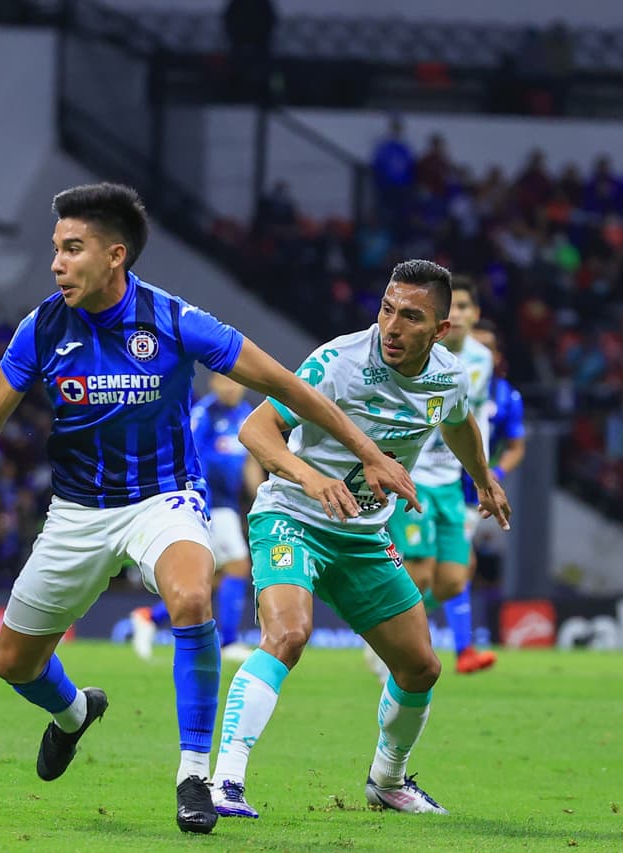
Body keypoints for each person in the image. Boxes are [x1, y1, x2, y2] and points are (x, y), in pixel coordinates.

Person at [0, 182, 420, 835]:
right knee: (13, 663)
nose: (56, 263)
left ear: (115, 255)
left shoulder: (174, 320)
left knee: (193, 598)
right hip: (77, 511)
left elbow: (288, 386)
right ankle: (73, 713)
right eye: (56, 249)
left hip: (163, 499)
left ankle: (193, 776)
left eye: (72, 249)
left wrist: (367, 452)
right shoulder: (43, 327)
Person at [209, 259, 510, 819]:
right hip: (292, 518)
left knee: (421, 667)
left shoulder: (448, 376)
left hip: (364, 535)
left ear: (440, 330)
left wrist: (483, 478)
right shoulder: (339, 362)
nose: (392, 326)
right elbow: (257, 429)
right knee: (288, 635)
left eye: (411, 317)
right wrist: (310, 476)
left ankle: (387, 782)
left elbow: (458, 422)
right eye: (387, 309)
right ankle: (224, 781)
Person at [382, 276, 497, 675]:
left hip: (451, 479)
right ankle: (393, 647)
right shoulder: (421, 352)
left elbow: (472, 417)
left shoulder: (481, 360)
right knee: (418, 570)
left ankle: (389, 623)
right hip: (414, 476)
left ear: (475, 314)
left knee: (452, 579)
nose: (459, 315)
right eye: (453, 307)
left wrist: (481, 471)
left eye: (465, 307)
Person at [130, 371, 264, 663]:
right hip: (208, 502)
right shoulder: (204, 413)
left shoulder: (246, 414)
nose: (231, 387)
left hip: (229, 504)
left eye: (236, 382)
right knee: (238, 564)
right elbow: (189, 458)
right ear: (214, 383)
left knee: (213, 577)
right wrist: (199, 503)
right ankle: (229, 642)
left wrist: (260, 497)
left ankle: (150, 617)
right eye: (225, 381)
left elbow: (250, 462)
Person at [460, 320, 526, 594]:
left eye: (486, 347)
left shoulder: (508, 397)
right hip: (432, 483)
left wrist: (494, 475)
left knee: (460, 565)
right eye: (472, 345)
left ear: (497, 356)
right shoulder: (442, 384)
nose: (478, 352)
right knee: (438, 563)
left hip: (472, 492)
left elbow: (516, 447)